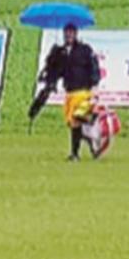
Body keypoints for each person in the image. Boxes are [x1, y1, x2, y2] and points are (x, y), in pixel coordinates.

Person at [39, 23, 101, 162]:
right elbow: (54, 71)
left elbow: (94, 67)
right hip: (70, 93)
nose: (69, 35)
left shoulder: (85, 50)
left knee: (79, 116)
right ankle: (77, 151)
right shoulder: (60, 52)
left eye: (71, 32)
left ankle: (91, 131)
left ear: (76, 33)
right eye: (67, 32)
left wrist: (95, 85)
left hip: (84, 92)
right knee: (74, 124)